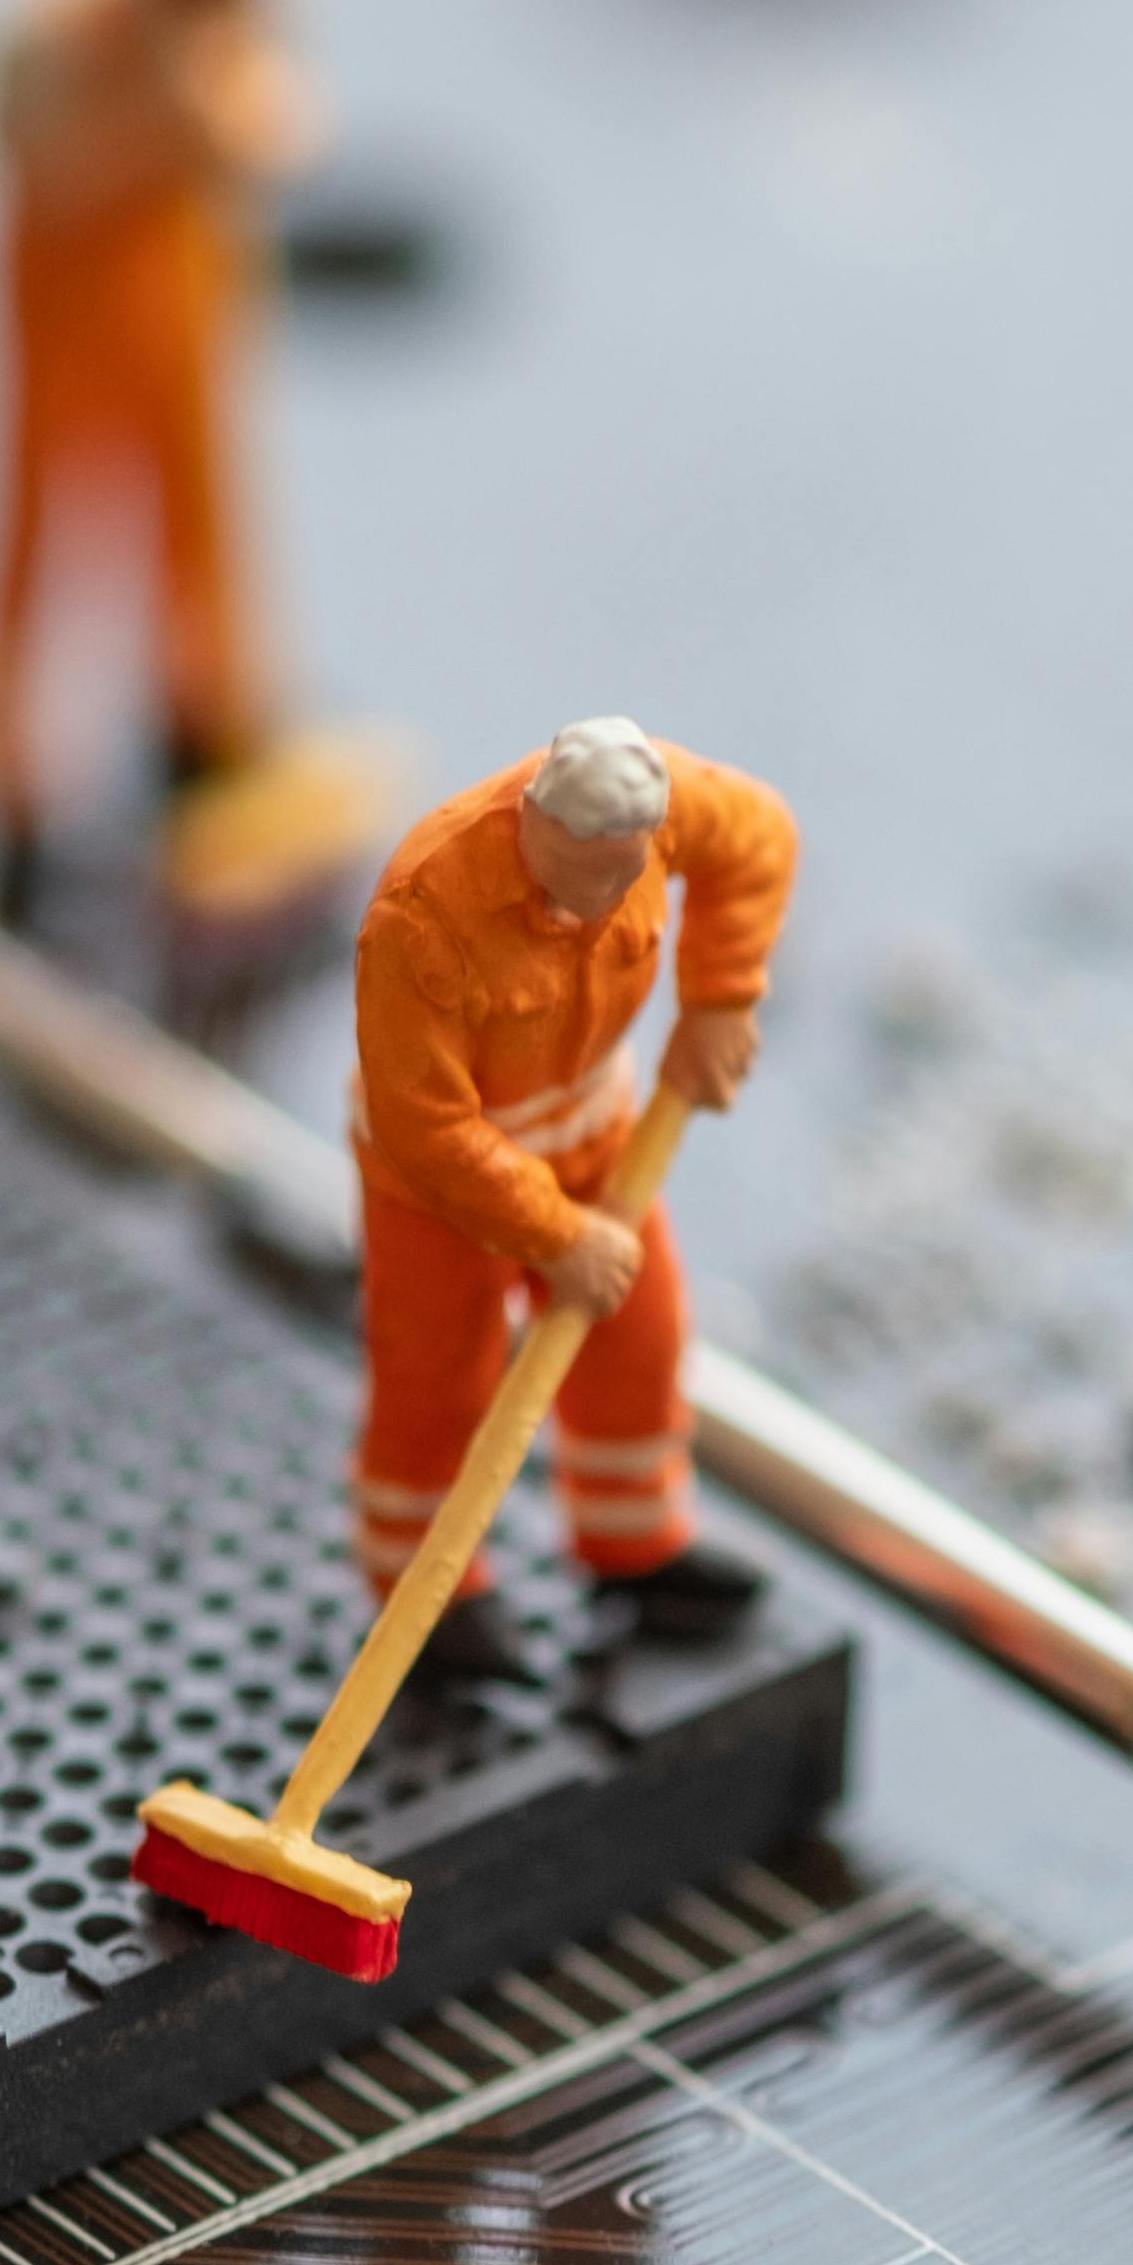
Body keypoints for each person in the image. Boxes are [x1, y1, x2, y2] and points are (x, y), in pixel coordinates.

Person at [348, 715, 792, 1681]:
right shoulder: (423, 913)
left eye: (620, 881)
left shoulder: (661, 800)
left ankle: (634, 1549)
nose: (594, 909)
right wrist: (555, 1235)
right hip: (435, 1194)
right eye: (573, 881)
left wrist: (721, 998)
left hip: (594, 1144)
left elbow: (757, 835)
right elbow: (427, 1128)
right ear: (533, 826)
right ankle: (425, 1594)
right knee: (438, 1381)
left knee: (639, 1337)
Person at [0, 0, 316, 927]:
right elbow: (33, 136)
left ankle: (206, 725)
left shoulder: (215, 41)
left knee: (204, 528)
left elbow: (279, 124)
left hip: (180, 322)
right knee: (37, 546)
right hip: (66, 331)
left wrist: (221, 124)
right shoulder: (65, 19)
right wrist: (153, 127)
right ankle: (16, 789)